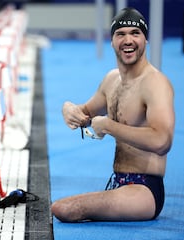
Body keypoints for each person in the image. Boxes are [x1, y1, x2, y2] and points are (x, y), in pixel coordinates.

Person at [51, 7, 175, 222]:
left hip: (145, 189)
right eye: (121, 34)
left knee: (65, 209)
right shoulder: (112, 80)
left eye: (135, 33)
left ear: (146, 40)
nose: (128, 40)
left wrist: (109, 126)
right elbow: (86, 113)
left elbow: (162, 141)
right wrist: (69, 108)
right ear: (112, 41)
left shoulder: (155, 83)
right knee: (62, 207)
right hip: (119, 181)